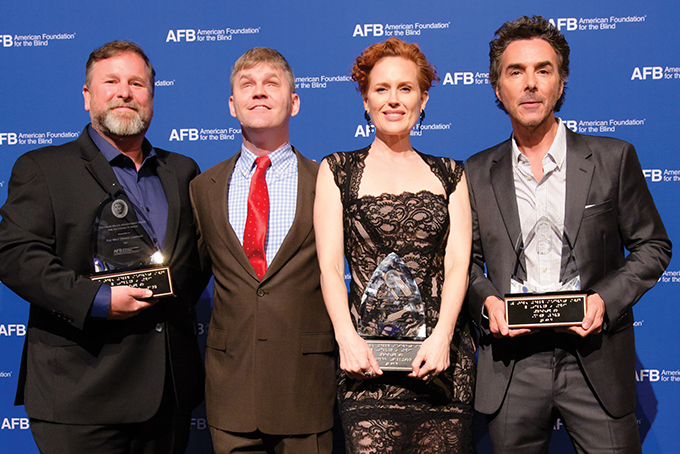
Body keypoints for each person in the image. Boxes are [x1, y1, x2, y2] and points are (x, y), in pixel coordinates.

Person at [465, 16, 672, 453]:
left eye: (543, 70)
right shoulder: (476, 172)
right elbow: (464, 262)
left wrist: (604, 300)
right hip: (512, 365)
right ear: (497, 87)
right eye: (515, 72)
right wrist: (487, 301)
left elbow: (653, 246)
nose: (530, 84)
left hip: (595, 358)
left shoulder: (613, 159)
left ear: (561, 83)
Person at [0, 40, 209, 453]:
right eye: (111, 81)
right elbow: (16, 256)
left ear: (151, 96)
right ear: (87, 95)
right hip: (80, 396)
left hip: (166, 397)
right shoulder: (43, 168)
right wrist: (98, 299)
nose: (125, 92)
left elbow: (194, 263)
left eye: (137, 83)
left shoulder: (182, 171)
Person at [315, 37, 475, 453]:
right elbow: (331, 266)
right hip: (365, 364)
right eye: (382, 89)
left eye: (406, 89)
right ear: (365, 99)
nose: (393, 100)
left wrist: (442, 338)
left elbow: (458, 263)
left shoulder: (451, 174)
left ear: (423, 100)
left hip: (441, 362)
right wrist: (346, 338)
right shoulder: (336, 170)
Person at [189, 47, 336, 454]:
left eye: (271, 84)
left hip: (305, 386)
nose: (259, 93)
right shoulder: (203, 187)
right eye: (247, 85)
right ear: (232, 105)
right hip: (230, 388)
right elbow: (191, 276)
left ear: (294, 102)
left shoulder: (327, 181)